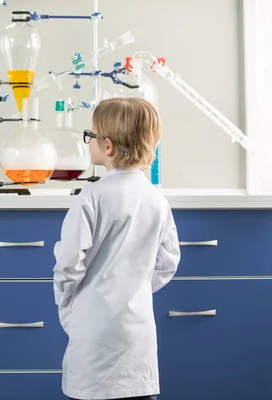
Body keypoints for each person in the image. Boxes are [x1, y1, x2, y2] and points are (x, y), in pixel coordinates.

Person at [52, 97, 181, 400]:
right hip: (138, 335)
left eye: (92, 135)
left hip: (93, 331)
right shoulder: (156, 200)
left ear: (106, 146)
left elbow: (69, 263)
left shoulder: (91, 198)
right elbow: (167, 262)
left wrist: (67, 305)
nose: (90, 142)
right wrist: (133, 287)